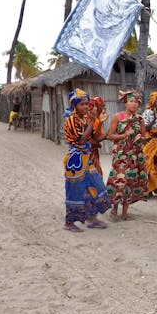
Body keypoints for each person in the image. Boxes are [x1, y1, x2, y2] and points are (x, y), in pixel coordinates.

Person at [63, 88, 111, 232]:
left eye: (86, 104)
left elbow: (93, 138)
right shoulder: (71, 120)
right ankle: (69, 223)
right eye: (82, 104)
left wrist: (97, 122)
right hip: (75, 160)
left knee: (97, 187)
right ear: (74, 105)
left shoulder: (84, 118)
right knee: (75, 191)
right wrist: (92, 121)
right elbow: (82, 138)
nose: (85, 107)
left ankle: (91, 218)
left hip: (86, 157)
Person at [106, 90, 149, 221]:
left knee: (131, 182)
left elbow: (143, 136)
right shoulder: (117, 117)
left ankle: (125, 213)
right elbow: (110, 135)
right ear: (126, 102)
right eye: (131, 101)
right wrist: (124, 135)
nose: (134, 104)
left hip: (135, 154)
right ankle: (114, 210)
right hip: (121, 154)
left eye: (136, 102)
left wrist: (141, 139)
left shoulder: (140, 119)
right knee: (119, 181)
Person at [142, 92, 157, 197]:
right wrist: (154, 119)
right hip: (149, 141)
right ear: (152, 102)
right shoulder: (147, 113)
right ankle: (149, 189)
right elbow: (145, 128)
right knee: (149, 165)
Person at [88, 96, 108, 177]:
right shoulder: (90, 120)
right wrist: (109, 134)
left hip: (94, 153)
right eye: (102, 106)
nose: (104, 108)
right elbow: (95, 140)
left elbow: (97, 137)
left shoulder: (97, 119)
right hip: (89, 153)